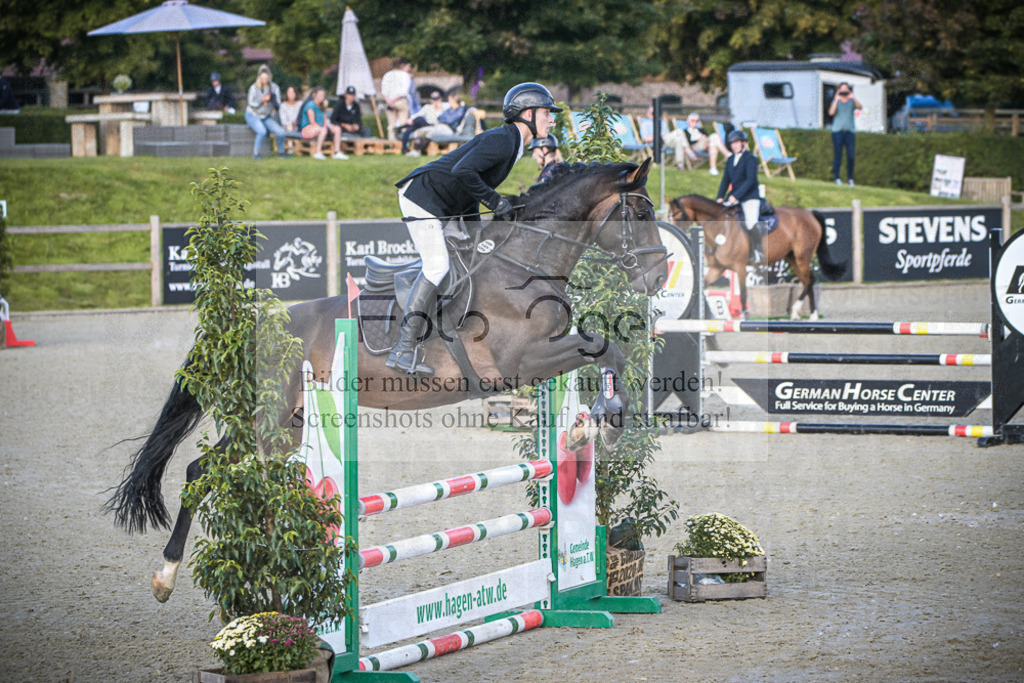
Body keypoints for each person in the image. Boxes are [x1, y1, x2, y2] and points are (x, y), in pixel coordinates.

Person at [387, 82, 560, 375]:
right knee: (437, 266)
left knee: (472, 260)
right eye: (547, 113)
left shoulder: (514, 144)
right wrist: (497, 203)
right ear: (527, 113)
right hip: (423, 197)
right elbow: (462, 172)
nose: (551, 119)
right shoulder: (503, 140)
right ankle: (403, 347)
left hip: (446, 203)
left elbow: (471, 186)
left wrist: (477, 231)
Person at [716, 129, 764, 262]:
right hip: (734, 198)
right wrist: (720, 197)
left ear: (743, 143)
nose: (735, 145)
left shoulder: (750, 159)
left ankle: (758, 251)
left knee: (750, 223)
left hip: (750, 197)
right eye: (732, 143)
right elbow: (725, 179)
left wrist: (735, 196)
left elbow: (750, 180)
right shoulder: (731, 159)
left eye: (737, 142)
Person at [245, 64, 287, 159]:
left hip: (266, 116)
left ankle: (281, 153)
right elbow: (251, 103)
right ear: (259, 77)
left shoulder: (274, 88)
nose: (265, 79)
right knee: (262, 131)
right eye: (263, 77)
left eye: (266, 77)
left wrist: (273, 101)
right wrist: (263, 100)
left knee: (281, 132)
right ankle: (256, 154)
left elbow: (278, 103)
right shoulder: (254, 87)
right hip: (253, 115)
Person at [300, 86, 348, 160]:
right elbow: (312, 122)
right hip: (307, 129)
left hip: (319, 128)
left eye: (323, 95)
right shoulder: (310, 105)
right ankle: (318, 152)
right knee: (323, 130)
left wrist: (325, 109)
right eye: (320, 95)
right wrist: (323, 129)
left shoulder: (322, 106)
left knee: (337, 129)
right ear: (314, 95)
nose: (322, 97)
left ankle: (337, 152)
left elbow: (324, 121)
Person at [829, 82, 862, 186]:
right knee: (838, 155)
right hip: (837, 131)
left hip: (849, 131)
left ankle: (850, 178)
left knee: (851, 156)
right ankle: (837, 178)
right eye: (842, 90)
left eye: (846, 90)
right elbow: (831, 113)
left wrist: (853, 97)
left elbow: (860, 107)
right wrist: (836, 99)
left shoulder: (851, 101)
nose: (844, 92)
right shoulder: (836, 101)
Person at [402, 90, 448, 155]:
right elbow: (418, 114)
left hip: (438, 126)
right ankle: (405, 148)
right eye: (434, 100)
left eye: (437, 99)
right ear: (431, 100)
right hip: (427, 125)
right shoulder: (428, 107)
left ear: (440, 99)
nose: (436, 101)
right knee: (417, 121)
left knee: (423, 129)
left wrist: (440, 109)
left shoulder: (446, 106)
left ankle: (403, 127)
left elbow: (443, 119)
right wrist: (411, 118)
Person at [381, 57, 413, 140]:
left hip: (389, 101)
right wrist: (394, 100)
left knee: (392, 125)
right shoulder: (405, 75)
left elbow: (384, 91)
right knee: (403, 124)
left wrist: (389, 101)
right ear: (402, 65)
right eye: (408, 66)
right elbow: (404, 92)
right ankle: (402, 143)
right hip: (400, 101)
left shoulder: (387, 75)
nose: (409, 69)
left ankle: (392, 143)